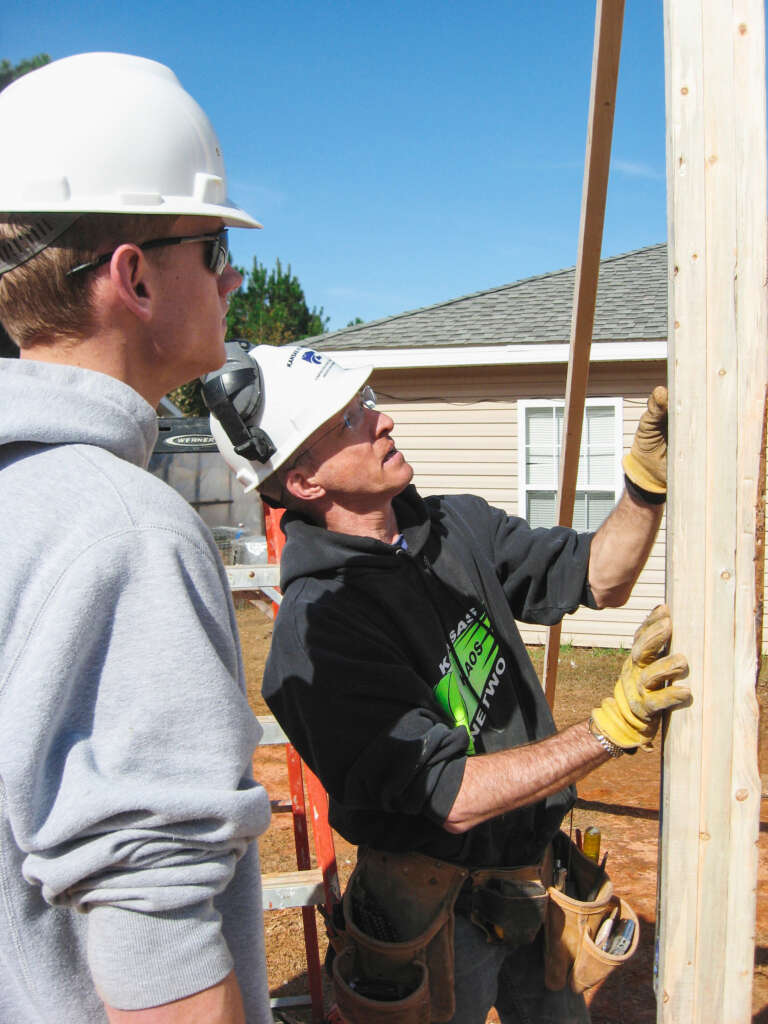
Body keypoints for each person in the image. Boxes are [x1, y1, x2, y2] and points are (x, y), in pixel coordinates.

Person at [206, 355, 691, 1019]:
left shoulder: (454, 527)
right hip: (437, 919)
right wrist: (609, 728)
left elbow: (598, 577)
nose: (383, 419)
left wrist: (644, 484)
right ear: (302, 479)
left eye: (366, 399)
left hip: (537, 880)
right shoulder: (320, 634)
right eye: (350, 418)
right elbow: (452, 795)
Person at [0, 54, 274, 1023]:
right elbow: (164, 971)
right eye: (211, 250)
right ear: (135, 279)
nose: (234, 278)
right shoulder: (125, 533)